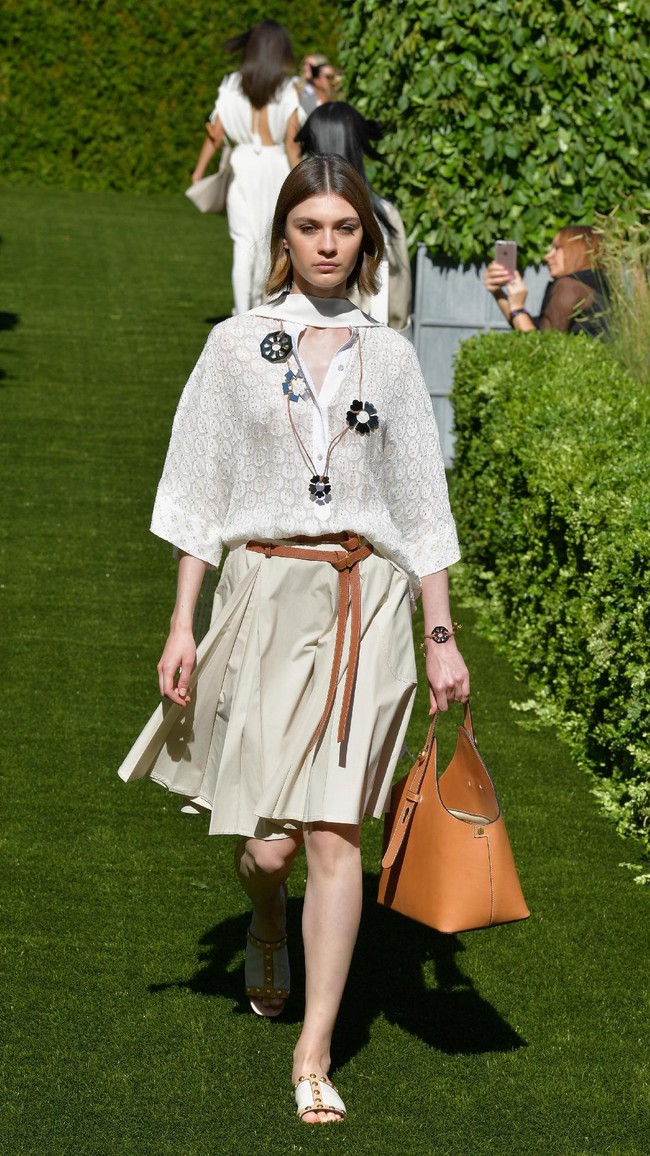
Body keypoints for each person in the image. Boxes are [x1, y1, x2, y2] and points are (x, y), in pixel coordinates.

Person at [118, 155, 469, 1125]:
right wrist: (181, 623)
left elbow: (421, 508)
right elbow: (196, 490)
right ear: (282, 236)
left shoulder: (389, 358)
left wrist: (439, 636)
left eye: (343, 228)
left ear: (365, 240)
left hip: (366, 603)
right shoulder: (235, 346)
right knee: (268, 852)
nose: (324, 244)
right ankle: (264, 918)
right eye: (308, 226)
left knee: (331, 832)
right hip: (263, 595)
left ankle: (314, 1050)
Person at [191, 20, 301, 314]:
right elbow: (292, 144)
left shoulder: (231, 85)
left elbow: (214, 134)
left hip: (242, 166)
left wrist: (198, 174)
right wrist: (305, 184)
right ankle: (264, 309)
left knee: (243, 243)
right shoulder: (288, 89)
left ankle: (241, 312)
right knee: (270, 241)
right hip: (276, 168)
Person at [296, 101, 412, 333]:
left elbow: (272, 281)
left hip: (298, 337)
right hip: (366, 339)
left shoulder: (293, 213)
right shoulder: (383, 215)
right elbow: (398, 297)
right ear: (358, 147)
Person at [484, 226, 610, 336]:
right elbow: (530, 327)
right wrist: (497, 292)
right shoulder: (598, 286)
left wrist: (517, 307)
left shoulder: (569, 287)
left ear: (579, 250)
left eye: (556, 248)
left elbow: (541, 348)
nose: (547, 256)